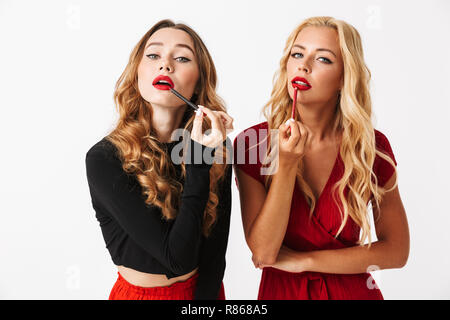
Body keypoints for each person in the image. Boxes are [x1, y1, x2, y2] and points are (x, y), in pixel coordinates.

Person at [233, 16, 409, 300]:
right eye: (298, 54)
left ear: (343, 78)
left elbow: (397, 251)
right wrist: (287, 165)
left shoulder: (371, 146)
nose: (303, 65)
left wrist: (306, 262)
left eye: (323, 59)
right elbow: (263, 252)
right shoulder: (252, 144)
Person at [85, 19, 234, 300]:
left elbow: (214, 259)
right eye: (153, 55)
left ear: (199, 80)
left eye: (181, 58)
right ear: (137, 72)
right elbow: (177, 259)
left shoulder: (215, 146)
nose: (165, 65)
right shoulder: (105, 158)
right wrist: (199, 160)